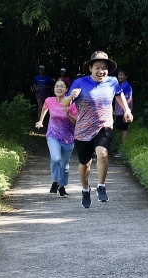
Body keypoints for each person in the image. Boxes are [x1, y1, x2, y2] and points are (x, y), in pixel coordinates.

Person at [63, 51, 133, 208]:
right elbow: (65, 104)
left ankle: (101, 185)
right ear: (90, 68)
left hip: (104, 125)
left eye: (104, 68)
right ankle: (85, 189)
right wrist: (71, 96)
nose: (101, 71)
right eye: (97, 67)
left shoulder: (113, 82)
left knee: (102, 154)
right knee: (84, 163)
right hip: (83, 129)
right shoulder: (79, 83)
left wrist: (127, 110)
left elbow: (119, 95)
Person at [35, 80, 77, 197]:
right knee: (55, 159)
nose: (59, 88)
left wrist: (68, 114)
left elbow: (76, 122)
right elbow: (44, 108)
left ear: (66, 89)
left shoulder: (72, 104)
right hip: (53, 135)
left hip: (68, 138)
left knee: (64, 166)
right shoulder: (49, 100)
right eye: (57, 86)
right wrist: (40, 121)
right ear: (54, 89)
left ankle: (62, 186)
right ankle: (55, 182)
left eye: (62, 86)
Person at [113, 69, 133, 158]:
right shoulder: (120, 85)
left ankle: (123, 152)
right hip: (119, 111)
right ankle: (124, 150)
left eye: (122, 75)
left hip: (123, 111)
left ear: (126, 76)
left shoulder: (126, 85)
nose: (120, 76)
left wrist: (126, 112)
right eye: (119, 74)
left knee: (124, 130)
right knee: (122, 130)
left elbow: (128, 99)